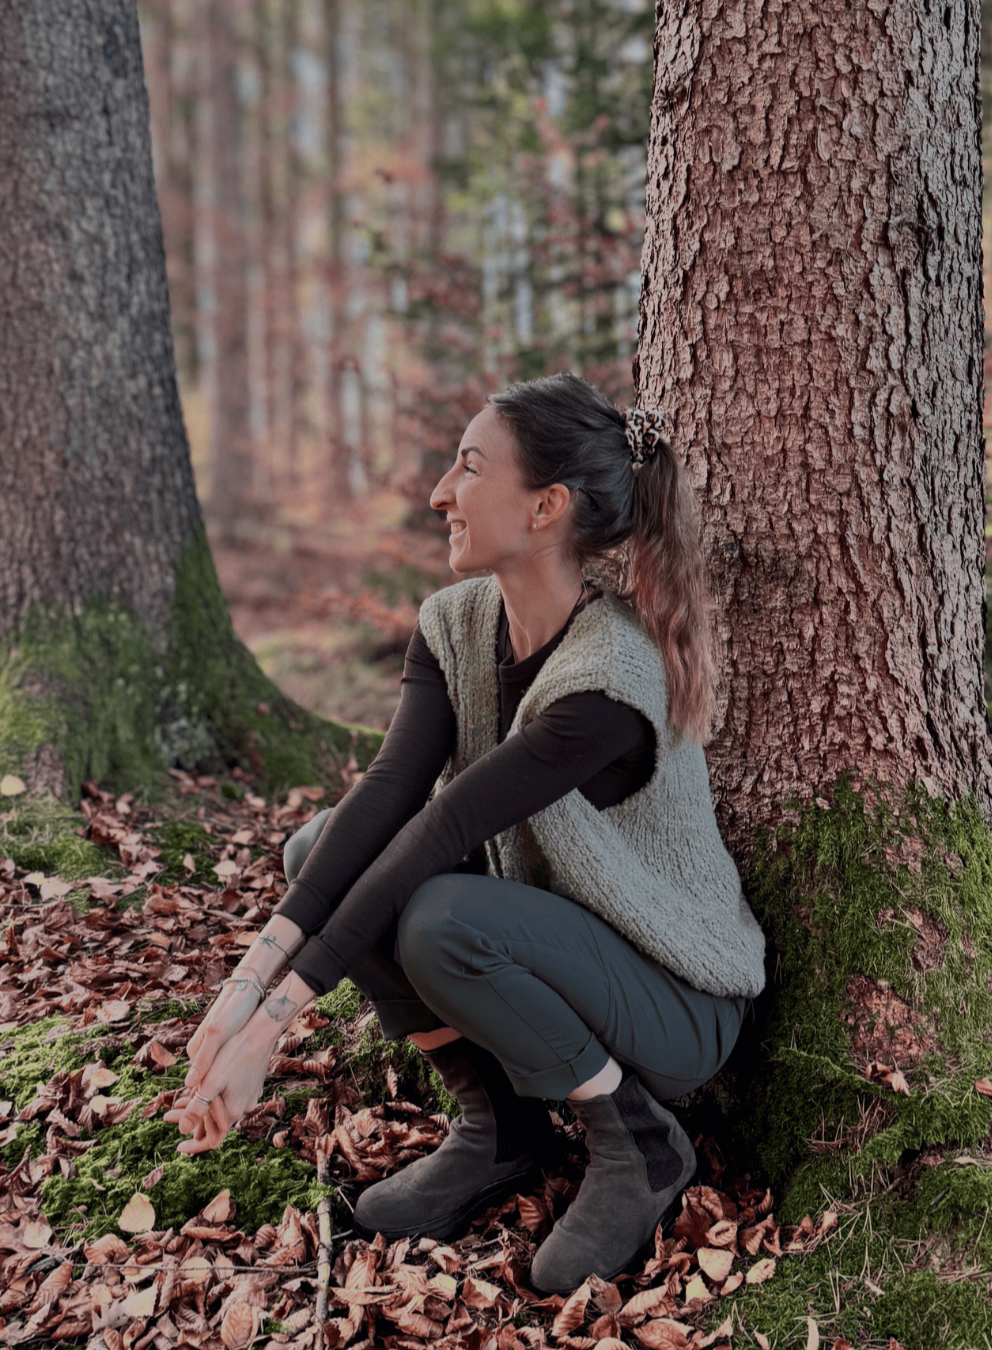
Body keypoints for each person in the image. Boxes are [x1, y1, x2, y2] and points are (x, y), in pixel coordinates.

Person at [166, 372, 766, 1295]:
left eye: (469, 466)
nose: (440, 491)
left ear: (545, 508)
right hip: (560, 952)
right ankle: (500, 1130)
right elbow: (387, 796)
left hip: (677, 999)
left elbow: (448, 823)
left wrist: (274, 1028)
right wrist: (243, 990)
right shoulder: (456, 623)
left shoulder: (605, 680)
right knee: (315, 846)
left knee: (443, 917)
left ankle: (637, 1142)